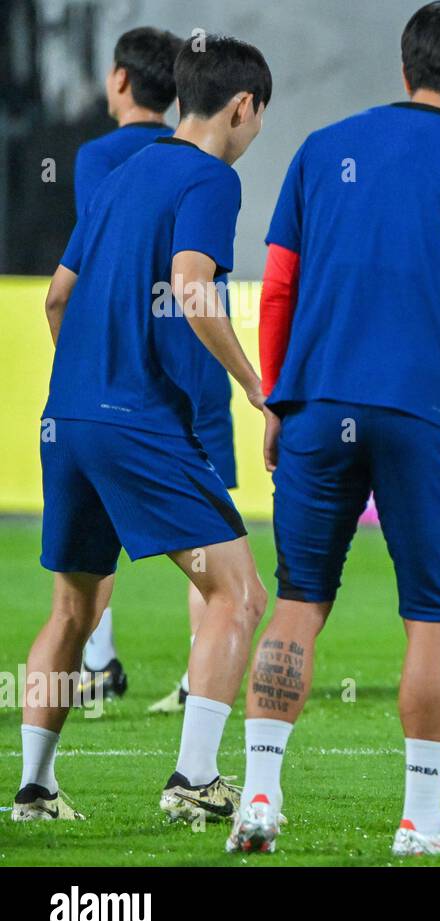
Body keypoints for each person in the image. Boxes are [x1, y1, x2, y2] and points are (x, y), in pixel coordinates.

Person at [226, 1, 440, 857]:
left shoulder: (322, 149)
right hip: (425, 414)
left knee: (298, 601)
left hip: (316, 403)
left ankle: (258, 799)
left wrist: (275, 400)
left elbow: (279, 288)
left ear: (406, 71)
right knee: (433, 620)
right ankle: (420, 819)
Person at [13, 35, 273, 823]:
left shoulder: (123, 175)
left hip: (68, 421)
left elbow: (57, 298)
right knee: (239, 591)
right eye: (260, 117)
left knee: (72, 610)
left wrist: (91, 380)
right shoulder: (210, 180)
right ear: (242, 107)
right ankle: (194, 778)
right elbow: (194, 291)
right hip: (137, 422)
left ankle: (34, 789)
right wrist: (258, 387)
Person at [67, 27, 239, 715]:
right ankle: (201, 690)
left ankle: (97, 669)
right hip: (196, 370)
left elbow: (88, 275)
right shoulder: (205, 166)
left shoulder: (104, 162)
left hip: (119, 383)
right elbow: (195, 281)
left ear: (117, 81)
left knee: (88, 551)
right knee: (217, 558)